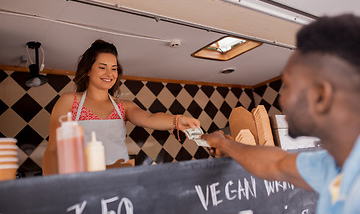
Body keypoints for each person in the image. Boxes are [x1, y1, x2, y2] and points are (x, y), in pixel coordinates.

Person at [202, 14, 360, 213]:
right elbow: (276, 163)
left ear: (321, 96)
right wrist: (223, 143)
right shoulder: (332, 165)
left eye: (287, 86)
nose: (281, 98)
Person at [43, 39, 200, 175]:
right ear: (88, 70)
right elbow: (52, 150)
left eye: (114, 68)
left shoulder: (123, 107)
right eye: (102, 67)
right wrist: (52, 190)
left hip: (121, 179)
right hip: (83, 182)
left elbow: (149, 118)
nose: (110, 73)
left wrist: (177, 120)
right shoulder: (69, 101)